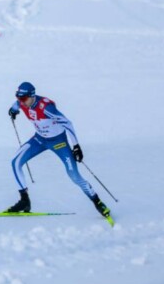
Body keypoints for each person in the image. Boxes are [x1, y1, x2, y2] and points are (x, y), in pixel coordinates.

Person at [6, 81, 111, 219]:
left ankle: (97, 202)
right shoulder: (22, 102)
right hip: (40, 139)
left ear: (32, 96)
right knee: (15, 162)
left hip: (58, 142)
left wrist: (76, 146)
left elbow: (68, 123)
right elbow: (16, 106)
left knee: (73, 175)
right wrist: (13, 110)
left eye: (24, 99)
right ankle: (24, 201)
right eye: (18, 98)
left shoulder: (46, 108)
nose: (21, 102)